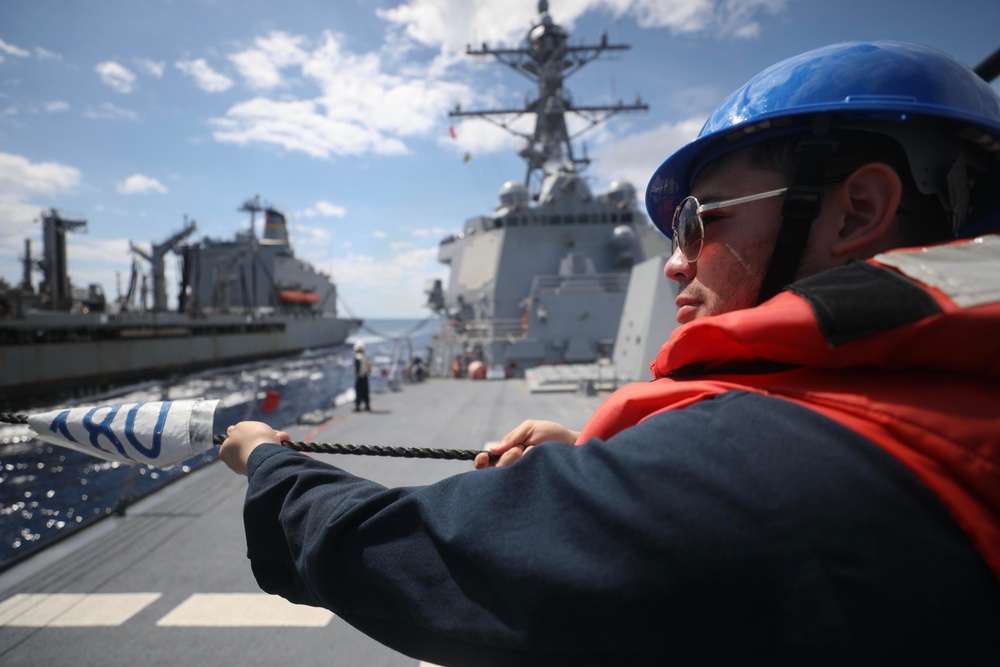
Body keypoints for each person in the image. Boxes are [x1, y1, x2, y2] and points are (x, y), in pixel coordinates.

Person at [221, 41, 1000, 664]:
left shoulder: (763, 472)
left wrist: (269, 461)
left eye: (699, 221)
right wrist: (620, 457)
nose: (673, 261)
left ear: (859, 209)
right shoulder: (945, 393)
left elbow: (425, 556)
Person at [352, 341, 371, 412]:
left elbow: (357, 367)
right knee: (365, 391)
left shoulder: (357, 357)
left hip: (359, 377)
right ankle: (367, 406)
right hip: (365, 376)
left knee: (358, 392)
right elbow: (369, 366)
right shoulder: (366, 357)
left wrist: (356, 376)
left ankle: (357, 407)